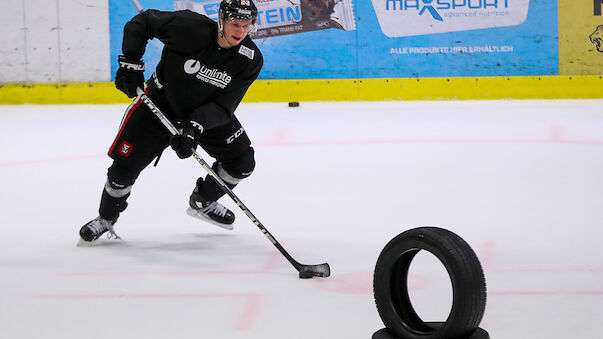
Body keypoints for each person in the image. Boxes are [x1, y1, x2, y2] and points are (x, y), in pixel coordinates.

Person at [79, 0, 263, 242]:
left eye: (246, 25)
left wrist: (194, 126)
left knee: (242, 162)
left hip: (202, 114)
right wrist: (131, 64)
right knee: (122, 171)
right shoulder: (189, 27)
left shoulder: (249, 59)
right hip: (159, 105)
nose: (240, 32)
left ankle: (203, 200)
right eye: (235, 24)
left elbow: (224, 105)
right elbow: (142, 23)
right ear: (221, 20)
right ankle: (106, 218)